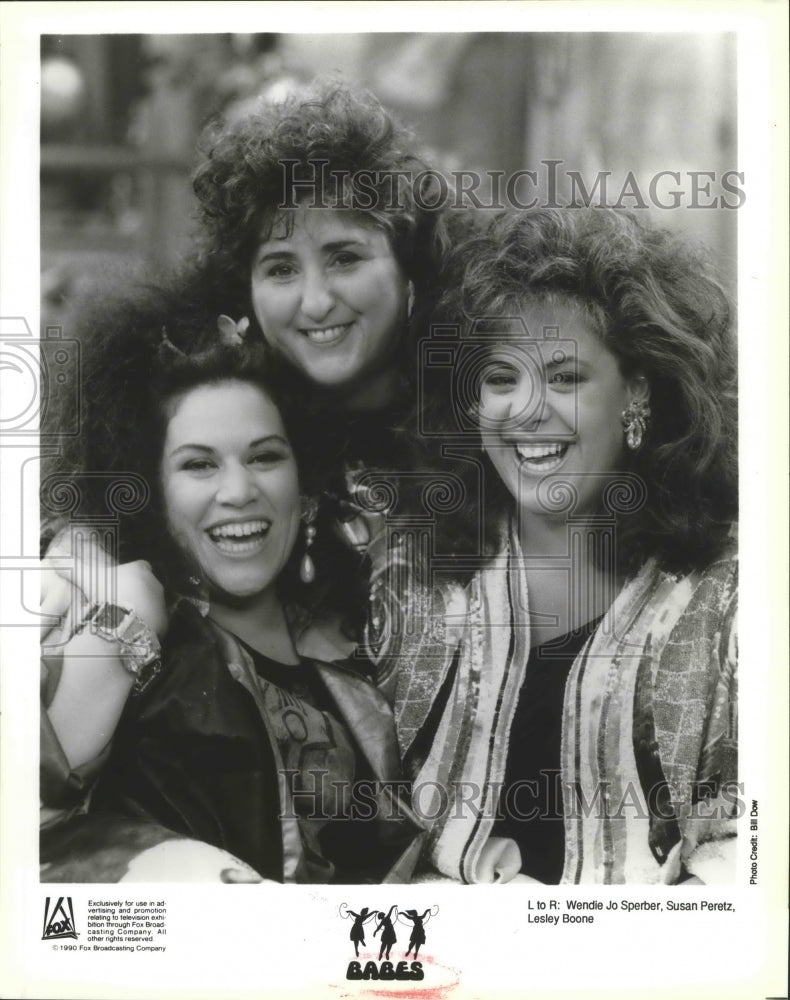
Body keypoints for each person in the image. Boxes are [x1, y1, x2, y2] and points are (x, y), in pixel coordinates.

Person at [377, 207, 738, 885]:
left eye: (566, 377)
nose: (526, 409)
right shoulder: (408, 571)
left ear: (638, 392)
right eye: (500, 378)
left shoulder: (729, 592)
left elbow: (751, 848)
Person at [40, 304, 424, 884]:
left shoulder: (368, 665)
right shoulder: (112, 620)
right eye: (198, 465)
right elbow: (31, 814)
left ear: (305, 483)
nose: (239, 490)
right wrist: (127, 624)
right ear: (152, 492)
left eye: (265, 456)